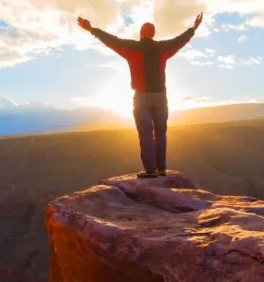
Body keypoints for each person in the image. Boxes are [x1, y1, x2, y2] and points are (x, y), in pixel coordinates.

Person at [77, 12, 203, 179]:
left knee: (145, 133)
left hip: (142, 97)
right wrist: (194, 28)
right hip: (160, 97)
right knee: (160, 132)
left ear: (141, 33)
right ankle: (162, 169)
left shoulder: (132, 48)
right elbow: (180, 41)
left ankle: (150, 171)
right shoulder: (162, 48)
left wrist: (92, 29)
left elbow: (111, 41)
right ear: (153, 34)